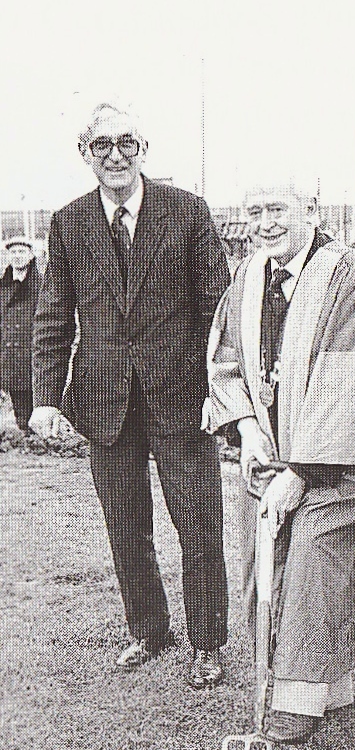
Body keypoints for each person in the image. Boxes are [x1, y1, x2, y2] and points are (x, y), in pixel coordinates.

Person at [207, 177, 355, 744]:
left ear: (311, 209)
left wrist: (301, 473)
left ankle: (298, 702)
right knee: (270, 559)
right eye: (253, 210)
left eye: (276, 208)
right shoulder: (250, 278)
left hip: (352, 461)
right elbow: (227, 360)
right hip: (279, 451)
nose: (263, 222)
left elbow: (354, 386)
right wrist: (248, 426)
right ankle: (326, 686)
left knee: (316, 560)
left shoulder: (354, 277)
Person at [30, 103, 231, 687]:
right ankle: (148, 631)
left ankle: (207, 644)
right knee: (126, 525)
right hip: (103, 402)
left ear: (144, 147)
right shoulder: (68, 223)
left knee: (197, 523)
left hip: (181, 397)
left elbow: (216, 311)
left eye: (126, 142)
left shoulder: (188, 212)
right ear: (85, 153)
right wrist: (45, 397)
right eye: (101, 145)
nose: (114, 155)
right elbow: (52, 316)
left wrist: (219, 391)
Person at [1, 236, 41, 434]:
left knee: (36, 395)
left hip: (32, 353)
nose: (17, 256)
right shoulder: (3, 287)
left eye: (22, 252)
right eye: (13, 252)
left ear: (31, 255)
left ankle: (38, 436)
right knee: (18, 396)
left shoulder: (41, 287)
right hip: (9, 356)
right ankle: (24, 432)